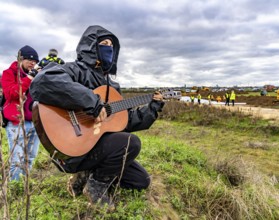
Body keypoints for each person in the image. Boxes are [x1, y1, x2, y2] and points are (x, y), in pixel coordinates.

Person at [30, 25, 165, 207]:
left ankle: (85, 176)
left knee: (140, 180)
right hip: (74, 148)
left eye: (111, 45)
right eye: (104, 43)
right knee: (131, 142)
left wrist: (153, 107)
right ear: (91, 46)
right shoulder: (75, 70)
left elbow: (126, 121)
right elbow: (43, 81)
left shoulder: (112, 87)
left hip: (98, 148)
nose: (108, 48)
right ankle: (96, 186)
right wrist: (91, 102)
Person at [1, 45, 40, 181]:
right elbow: (12, 94)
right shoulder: (8, 73)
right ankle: (14, 190)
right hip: (16, 122)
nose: (33, 63)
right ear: (20, 59)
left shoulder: (37, 75)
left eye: (35, 61)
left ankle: (24, 185)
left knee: (31, 157)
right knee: (17, 159)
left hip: (35, 121)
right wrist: (29, 78)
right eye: (30, 60)